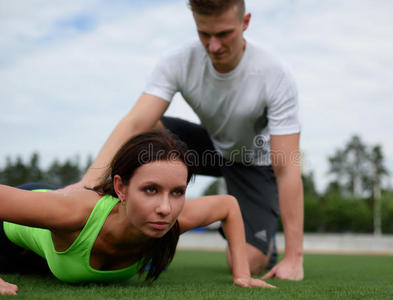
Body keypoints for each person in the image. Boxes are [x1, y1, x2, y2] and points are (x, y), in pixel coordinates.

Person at [61, 0, 304, 280]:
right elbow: (135, 123)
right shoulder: (179, 61)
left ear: (245, 22)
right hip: (210, 147)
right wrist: (88, 184)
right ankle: (134, 226)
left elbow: (287, 167)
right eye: (204, 34)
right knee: (146, 128)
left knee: (248, 262)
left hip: (253, 161)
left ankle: (256, 234)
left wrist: (294, 257)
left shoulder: (274, 75)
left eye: (224, 34)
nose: (213, 46)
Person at [0, 130, 274, 296]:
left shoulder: (173, 219)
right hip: (11, 238)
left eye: (177, 192)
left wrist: (243, 275)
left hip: (47, 261)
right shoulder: (73, 213)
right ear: (121, 187)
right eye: (150, 190)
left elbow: (228, 205)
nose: (166, 209)